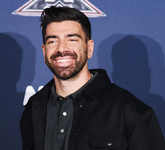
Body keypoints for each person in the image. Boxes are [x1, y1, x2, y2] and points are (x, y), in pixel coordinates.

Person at [20, 6, 165, 150]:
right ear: (44, 52)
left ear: (89, 48)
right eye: (52, 41)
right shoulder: (33, 111)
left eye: (72, 40)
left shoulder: (131, 112)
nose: (61, 49)